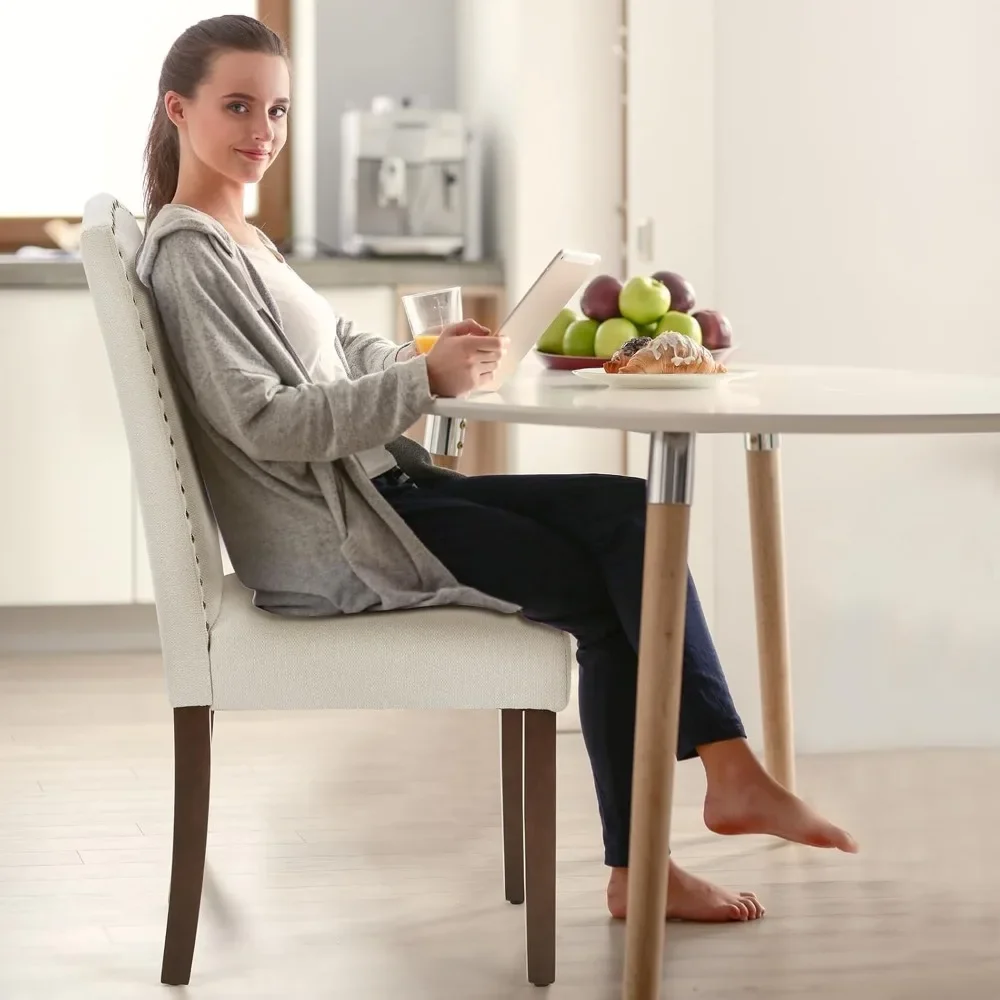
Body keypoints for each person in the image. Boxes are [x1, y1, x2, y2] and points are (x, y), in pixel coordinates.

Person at [137, 14, 858, 925]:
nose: (263, 133)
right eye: (238, 107)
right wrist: (417, 381)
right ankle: (690, 815)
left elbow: (335, 347)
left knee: (631, 514)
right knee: (616, 568)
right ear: (178, 109)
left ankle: (706, 798)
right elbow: (265, 422)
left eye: (276, 111)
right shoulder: (190, 252)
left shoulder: (242, 235)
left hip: (387, 492)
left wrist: (421, 355)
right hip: (347, 538)